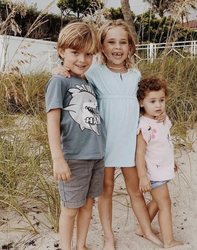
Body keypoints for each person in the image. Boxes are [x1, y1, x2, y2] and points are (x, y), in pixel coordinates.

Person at [52, 19, 162, 250]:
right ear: (101, 46)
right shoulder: (94, 72)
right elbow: (72, 76)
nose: (117, 47)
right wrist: (58, 69)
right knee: (106, 189)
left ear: (131, 46)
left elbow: (145, 103)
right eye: (111, 42)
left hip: (129, 142)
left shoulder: (135, 74)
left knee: (135, 189)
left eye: (123, 42)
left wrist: (158, 115)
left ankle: (147, 230)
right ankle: (108, 236)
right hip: (103, 143)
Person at [45, 22, 105, 250]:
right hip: (73, 157)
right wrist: (57, 158)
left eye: (88, 54)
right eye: (75, 53)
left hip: (96, 156)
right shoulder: (59, 81)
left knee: (88, 204)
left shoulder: (87, 82)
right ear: (61, 51)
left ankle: (81, 245)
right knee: (70, 208)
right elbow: (52, 120)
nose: (82, 60)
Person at [136, 76, 184, 249]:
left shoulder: (161, 119)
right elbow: (140, 153)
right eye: (152, 101)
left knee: (157, 202)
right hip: (153, 172)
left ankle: (143, 228)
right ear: (142, 103)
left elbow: (165, 142)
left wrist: (172, 161)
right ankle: (169, 240)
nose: (158, 105)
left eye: (161, 100)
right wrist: (142, 176)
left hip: (163, 168)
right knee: (165, 204)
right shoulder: (144, 125)